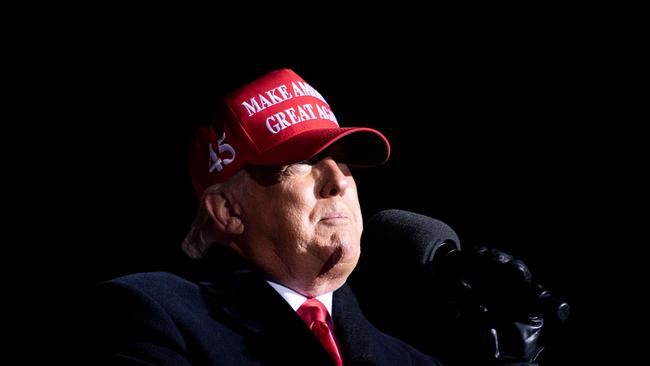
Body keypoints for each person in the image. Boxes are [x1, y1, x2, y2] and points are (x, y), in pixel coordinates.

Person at [88, 68, 443, 365]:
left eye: (343, 160)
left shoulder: (413, 361)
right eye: (301, 163)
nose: (338, 181)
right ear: (228, 210)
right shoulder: (150, 315)